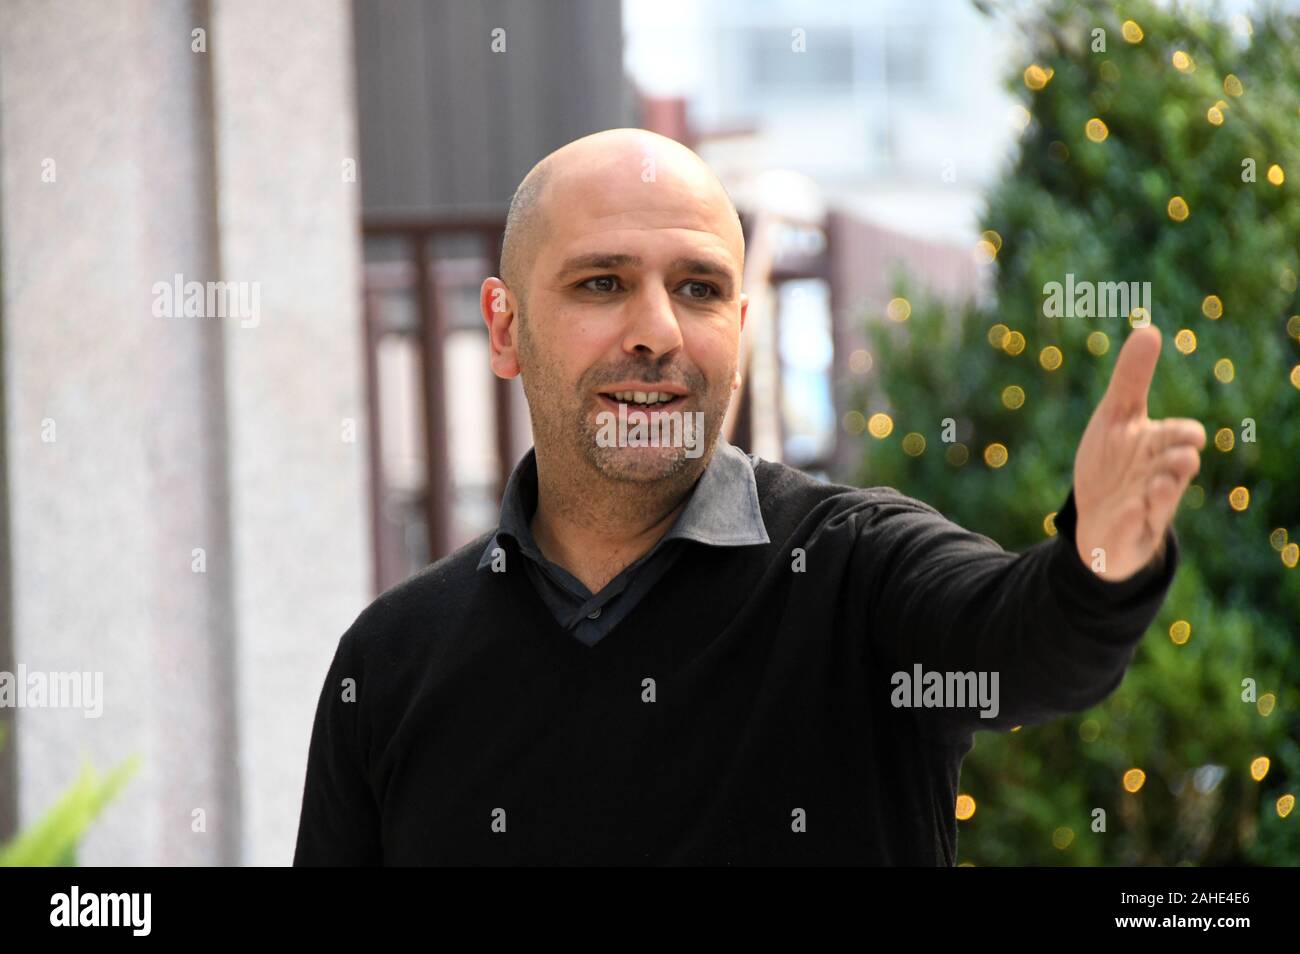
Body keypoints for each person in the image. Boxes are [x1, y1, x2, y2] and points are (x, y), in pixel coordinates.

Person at [292, 128, 1205, 865]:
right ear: (505, 326)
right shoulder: (392, 662)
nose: (656, 332)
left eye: (697, 289)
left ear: (736, 325)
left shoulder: (854, 571)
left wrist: (1099, 563)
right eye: (602, 283)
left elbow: (1026, 647)